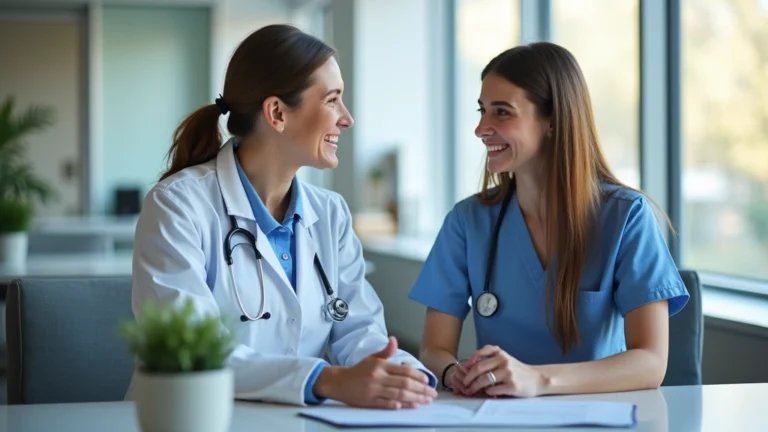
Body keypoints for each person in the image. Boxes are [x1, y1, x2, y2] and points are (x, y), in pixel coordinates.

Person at [127, 24, 437, 409]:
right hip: (191, 417)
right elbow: (193, 351)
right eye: (332, 100)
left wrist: (406, 376)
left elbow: (360, 334)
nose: (347, 118)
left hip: (297, 419)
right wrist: (326, 380)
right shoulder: (177, 205)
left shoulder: (330, 213)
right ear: (276, 112)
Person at [408, 42, 689, 398]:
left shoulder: (626, 217)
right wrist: (452, 373)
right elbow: (434, 349)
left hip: (600, 417)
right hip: (499, 415)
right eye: (481, 111)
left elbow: (650, 362)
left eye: (502, 112)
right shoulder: (467, 222)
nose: (481, 128)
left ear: (553, 120)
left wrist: (537, 380)